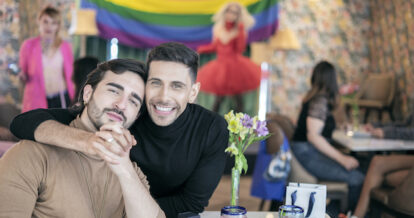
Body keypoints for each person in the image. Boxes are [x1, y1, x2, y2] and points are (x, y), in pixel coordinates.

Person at [10, 42, 229, 218]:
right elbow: (24, 122)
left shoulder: (211, 128)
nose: (163, 96)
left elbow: (191, 202)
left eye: (177, 86)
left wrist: (124, 203)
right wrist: (86, 141)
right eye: (155, 83)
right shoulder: (126, 116)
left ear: (193, 93)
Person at [0, 59, 165, 217]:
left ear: (136, 116)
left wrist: (125, 170)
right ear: (87, 94)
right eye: (114, 90)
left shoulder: (131, 172)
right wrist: (89, 142)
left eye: (133, 101)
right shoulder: (32, 155)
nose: (121, 104)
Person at [291, 61, 364, 211]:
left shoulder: (314, 98)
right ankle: (342, 214)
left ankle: (333, 212)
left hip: (304, 151)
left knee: (360, 171)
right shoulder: (319, 100)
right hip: (306, 153)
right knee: (358, 178)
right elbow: (313, 136)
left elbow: (317, 127)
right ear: (332, 79)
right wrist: (342, 159)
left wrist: (337, 126)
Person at [196, 1, 261, 112]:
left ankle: (241, 126)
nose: (231, 15)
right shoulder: (218, 28)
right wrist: (200, 50)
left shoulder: (239, 30)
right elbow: (216, 46)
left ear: (238, 16)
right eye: (229, 11)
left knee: (238, 100)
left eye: (235, 13)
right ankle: (213, 125)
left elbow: (240, 48)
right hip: (220, 67)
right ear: (225, 12)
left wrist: (240, 30)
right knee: (219, 99)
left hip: (235, 67)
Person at [19, 6, 75, 112]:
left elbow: (70, 75)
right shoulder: (28, 46)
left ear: (58, 26)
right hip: (37, 100)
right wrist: (23, 76)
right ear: (39, 21)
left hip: (62, 99)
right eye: (45, 21)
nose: (49, 26)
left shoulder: (65, 47)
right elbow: (24, 74)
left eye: (53, 23)